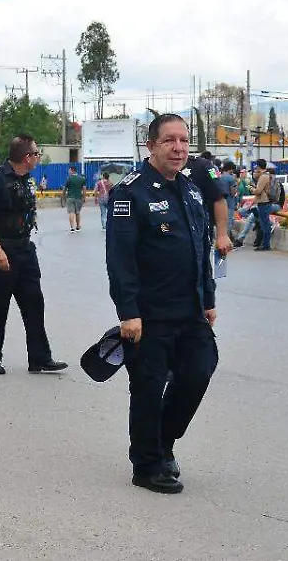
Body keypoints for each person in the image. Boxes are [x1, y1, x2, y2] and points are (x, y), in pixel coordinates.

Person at [105, 113, 218, 495]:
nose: (179, 147)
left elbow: (201, 248)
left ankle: (164, 442)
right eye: (170, 140)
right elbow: (120, 259)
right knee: (149, 388)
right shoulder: (130, 192)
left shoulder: (190, 189)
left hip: (191, 309)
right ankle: (147, 465)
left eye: (184, 140)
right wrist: (128, 313)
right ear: (151, 145)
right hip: (149, 314)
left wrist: (208, 297)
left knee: (199, 371)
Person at [0, 134, 68, 375]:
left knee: (34, 303)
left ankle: (39, 358)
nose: (38, 157)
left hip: (25, 249)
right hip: (2, 249)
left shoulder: (26, 179)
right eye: (36, 153)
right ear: (27, 157)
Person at [182, 154, 233, 255]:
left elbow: (219, 198)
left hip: (197, 239)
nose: (178, 148)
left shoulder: (202, 166)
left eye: (184, 144)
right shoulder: (150, 171)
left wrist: (222, 234)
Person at [250, 159, 274, 251]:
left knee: (264, 224)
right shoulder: (266, 175)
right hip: (265, 201)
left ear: (258, 166)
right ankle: (265, 244)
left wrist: (251, 189)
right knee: (264, 223)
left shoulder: (263, 177)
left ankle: (266, 245)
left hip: (263, 202)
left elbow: (258, 191)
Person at [64, 165, 87, 232]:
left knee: (71, 212)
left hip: (70, 198)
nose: (68, 172)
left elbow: (65, 189)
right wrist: (84, 198)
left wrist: (64, 197)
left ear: (72, 170)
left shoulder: (69, 178)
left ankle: (72, 227)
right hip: (79, 198)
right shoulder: (82, 179)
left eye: (69, 170)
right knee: (77, 212)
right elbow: (84, 189)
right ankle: (78, 226)